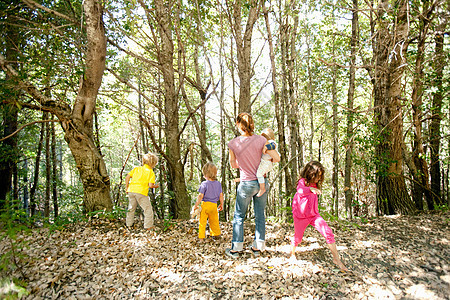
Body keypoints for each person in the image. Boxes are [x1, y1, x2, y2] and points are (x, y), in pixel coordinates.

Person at [226, 112, 280, 258]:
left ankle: (236, 249)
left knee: (239, 216)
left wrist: (243, 162)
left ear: (238, 124)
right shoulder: (262, 140)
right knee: (260, 215)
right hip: (261, 181)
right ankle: (258, 247)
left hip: (246, 184)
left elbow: (233, 165)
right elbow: (275, 158)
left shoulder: (233, 143)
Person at [290, 161, 348, 271]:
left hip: (313, 215)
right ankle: (292, 253)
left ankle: (336, 259)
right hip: (300, 216)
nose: (318, 178)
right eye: (317, 176)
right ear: (310, 173)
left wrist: (314, 189)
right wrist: (311, 189)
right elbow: (300, 191)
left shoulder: (315, 184)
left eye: (320, 176)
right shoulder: (303, 182)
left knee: (328, 233)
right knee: (298, 238)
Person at [125, 153, 159, 230]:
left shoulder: (136, 169)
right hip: (141, 192)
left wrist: (127, 187)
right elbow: (150, 185)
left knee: (131, 208)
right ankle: (148, 226)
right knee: (147, 209)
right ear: (153, 163)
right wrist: (155, 186)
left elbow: (127, 177)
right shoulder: (150, 172)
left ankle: (128, 225)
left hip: (131, 190)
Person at [192, 162, 224, 242]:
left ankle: (201, 238)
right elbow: (221, 195)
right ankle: (216, 235)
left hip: (205, 205)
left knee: (202, 222)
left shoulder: (204, 184)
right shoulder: (218, 184)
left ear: (205, 174)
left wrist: (196, 205)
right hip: (214, 206)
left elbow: (200, 196)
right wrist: (221, 204)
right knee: (214, 221)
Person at [256, 128, 279, 197]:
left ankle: (262, 188)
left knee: (259, 174)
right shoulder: (266, 142)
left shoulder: (271, 142)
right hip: (266, 162)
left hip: (266, 162)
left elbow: (273, 145)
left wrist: (266, 147)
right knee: (260, 173)